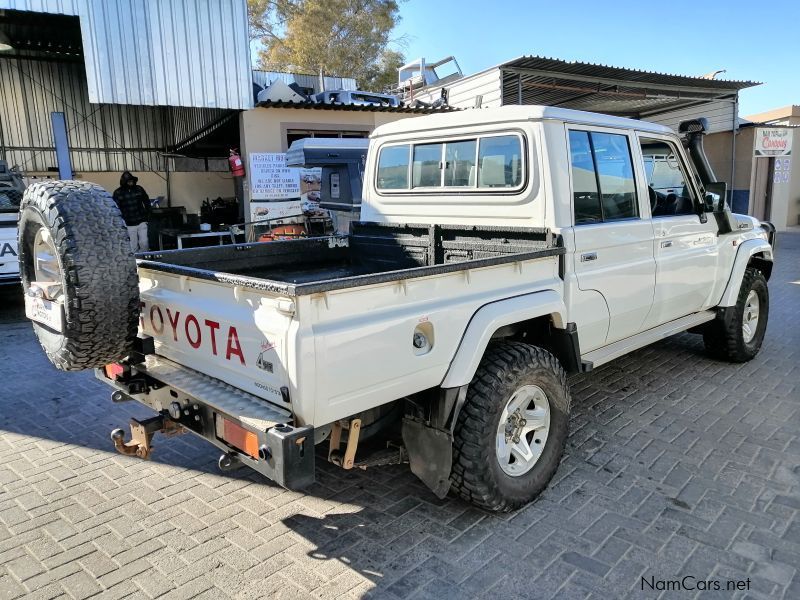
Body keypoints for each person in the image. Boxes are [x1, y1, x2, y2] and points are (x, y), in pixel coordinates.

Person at [113, 171, 151, 252]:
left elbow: (146, 200)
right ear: (124, 182)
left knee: (144, 242)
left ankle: (146, 260)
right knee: (133, 246)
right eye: (128, 181)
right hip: (129, 223)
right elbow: (115, 209)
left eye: (132, 180)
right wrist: (120, 222)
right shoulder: (118, 193)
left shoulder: (139, 189)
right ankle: (137, 262)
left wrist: (148, 213)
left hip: (142, 221)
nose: (131, 182)